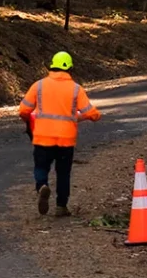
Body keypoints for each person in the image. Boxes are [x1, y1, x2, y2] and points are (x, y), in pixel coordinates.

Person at [18, 51, 101, 217]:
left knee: (41, 167)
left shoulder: (38, 86)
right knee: (63, 173)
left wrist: (29, 120)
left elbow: (23, 110)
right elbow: (92, 114)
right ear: (70, 68)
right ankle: (61, 206)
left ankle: (42, 185)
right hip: (66, 140)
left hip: (42, 137)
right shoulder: (76, 89)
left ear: (52, 66)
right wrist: (81, 117)